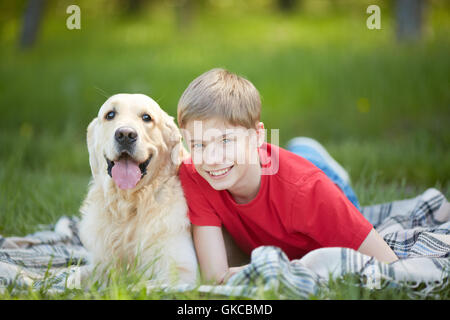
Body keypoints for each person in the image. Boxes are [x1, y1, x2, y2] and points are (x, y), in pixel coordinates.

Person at [176, 68, 398, 284]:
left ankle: (318, 159)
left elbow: (391, 264)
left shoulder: (310, 190)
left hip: (316, 186)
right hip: (277, 168)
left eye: (225, 141)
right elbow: (216, 278)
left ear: (257, 135)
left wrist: (271, 269)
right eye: (198, 144)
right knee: (294, 156)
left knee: (319, 175)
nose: (211, 158)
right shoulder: (196, 173)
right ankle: (303, 150)